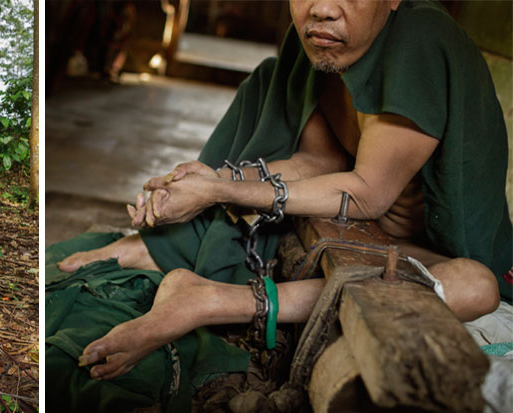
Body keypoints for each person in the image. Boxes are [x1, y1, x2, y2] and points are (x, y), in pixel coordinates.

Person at [47, 0, 511, 409]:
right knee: (267, 82)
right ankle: (157, 249)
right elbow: (316, 161)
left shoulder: (420, 40)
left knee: (477, 286)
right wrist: (211, 179)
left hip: (420, 246)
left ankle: (209, 300)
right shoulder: (316, 41)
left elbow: (368, 192)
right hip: (342, 228)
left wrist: (222, 191)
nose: (322, 8)